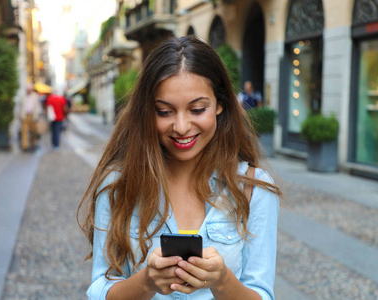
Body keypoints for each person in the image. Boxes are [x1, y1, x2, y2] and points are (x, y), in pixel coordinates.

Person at [78, 36, 281, 300]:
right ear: (147, 112)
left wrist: (222, 281)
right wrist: (146, 281)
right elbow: (100, 290)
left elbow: (262, 294)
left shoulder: (253, 188)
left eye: (197, 109)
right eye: (164, 112)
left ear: (220, 104)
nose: (182, 127)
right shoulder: (119, 184)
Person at [20, 83, 41, 151]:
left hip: (33, 115)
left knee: (34, 131)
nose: (28, 90)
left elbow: (38, 106)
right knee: (24, 131)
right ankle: (25, 146)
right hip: (25, 115)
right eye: (27, 89)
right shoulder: (24, 96)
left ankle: (33, 144)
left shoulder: (35, 96)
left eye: (29, 89)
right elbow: (20, 106)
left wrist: (37, 115)